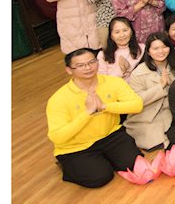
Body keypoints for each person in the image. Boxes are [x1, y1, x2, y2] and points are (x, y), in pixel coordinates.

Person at [45, 48, 144, 188]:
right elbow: (57, 137)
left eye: (91, 62)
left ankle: (102, 160)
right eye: (80, 65)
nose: (88, 68)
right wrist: (87, 113)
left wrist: (104, 106)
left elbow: (137, 105)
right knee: (100, 177)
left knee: (134, 165)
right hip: (77, 147)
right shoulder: (58, 99)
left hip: (110, 135)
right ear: (69, 70)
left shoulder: (114, 82)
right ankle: (67, 165)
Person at [125, 33, 175, 151]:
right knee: (157, 145)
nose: (160, 51)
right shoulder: (138, 72)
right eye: (155, 48)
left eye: (164, 47)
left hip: (171, 113)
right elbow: (137, 101)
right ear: (148, 52)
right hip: (146, 116)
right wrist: (160, 86)